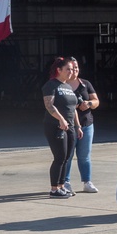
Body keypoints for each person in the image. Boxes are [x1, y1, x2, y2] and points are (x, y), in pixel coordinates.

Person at [41, 57, 83, 198]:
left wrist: (77, 126)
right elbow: (49, 105)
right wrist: (61, 119)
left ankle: (61, 186)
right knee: (59, 157)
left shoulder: (68, 86)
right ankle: (54, 189)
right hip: (56, 126)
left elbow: (73, 108)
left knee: (67, 157)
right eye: (68, 69)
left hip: (70, 126)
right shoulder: (51, 85)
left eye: (72, 69)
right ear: (59, 70)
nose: (71, 72)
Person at [63, 58, 100, 194]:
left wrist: (88, 104)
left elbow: (96, 101)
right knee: (68, 155)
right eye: (72, 68)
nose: (75, 70)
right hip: (69, 126)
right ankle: (65, 181)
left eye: (77, 67)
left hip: (87, 124)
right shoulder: (62, 85)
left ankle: (87, 181)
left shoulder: (85, 84)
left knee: (84, 155)